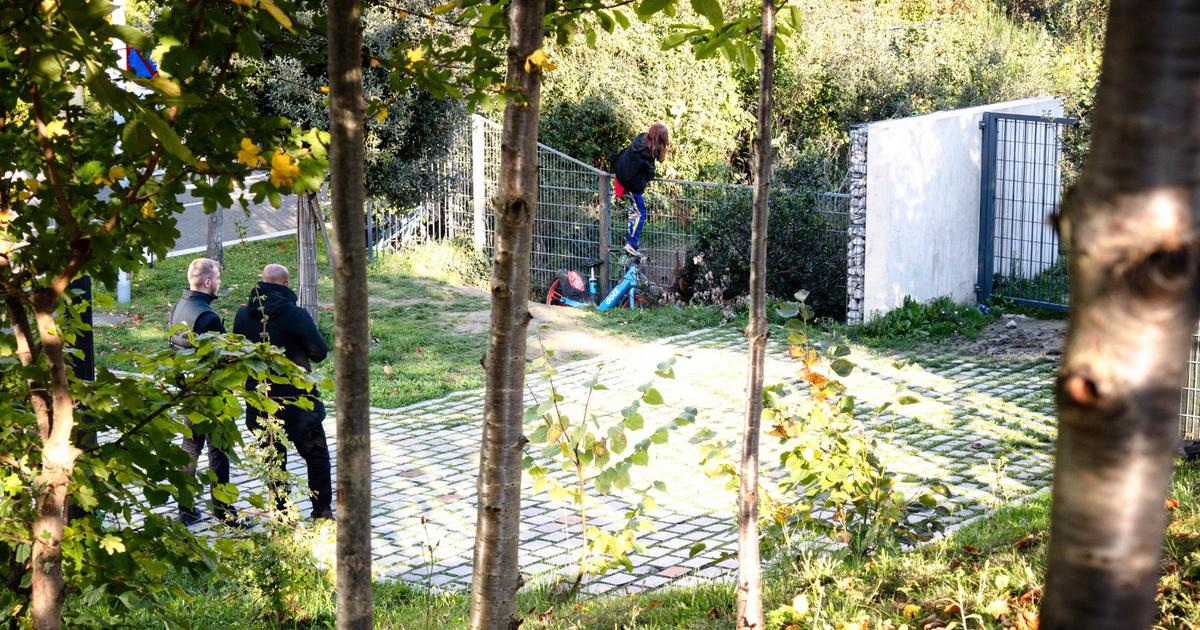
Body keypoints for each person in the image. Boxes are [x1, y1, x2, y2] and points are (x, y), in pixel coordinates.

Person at [232, 264, 333, 520]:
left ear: (262, 282)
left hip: (261, 397)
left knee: (274, 458)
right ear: (286, 284)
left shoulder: (243, 314)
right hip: (298, 400)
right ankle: (321, 510)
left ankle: (281, 512)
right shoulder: (295, 315)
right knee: (316, 455)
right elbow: (319, 353)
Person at [168, 257, 240, 526]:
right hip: (211, 392)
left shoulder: (178, 307)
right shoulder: (208, 316)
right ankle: (223, 511)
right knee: (218, 451)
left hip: (189, 390)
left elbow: (173, 347)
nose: (219, 282)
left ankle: (185, 510)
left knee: (189, 448)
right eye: (218, 278)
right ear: (208, 282)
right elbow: (225, 357)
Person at [610, 123, 669, 257]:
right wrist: (648, 178)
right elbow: (650, 173)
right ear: (660, 138)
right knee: (641, 213)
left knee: (634, 212)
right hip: (632, 184)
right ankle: (631, 244)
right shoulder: (648, 151)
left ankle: (630, 242)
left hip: (621, 176)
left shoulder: (641, 139)